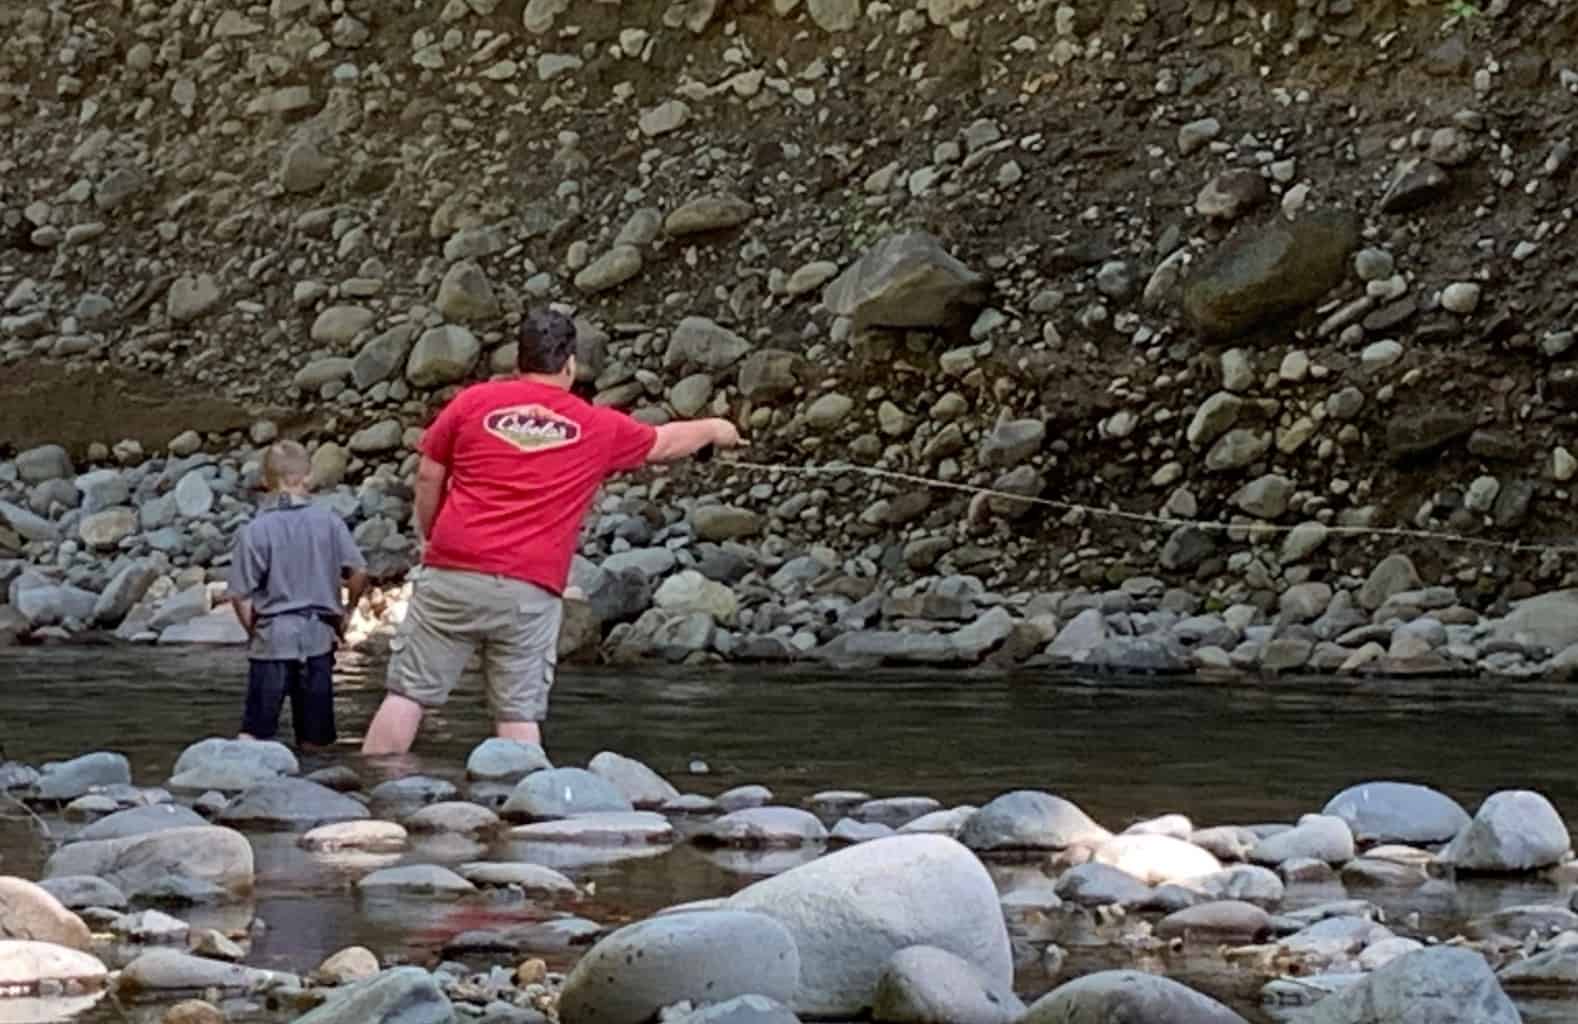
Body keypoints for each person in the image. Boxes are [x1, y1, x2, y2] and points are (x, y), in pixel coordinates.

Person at [360, 309, 745, 755]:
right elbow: (664, 442)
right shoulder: (597, 425)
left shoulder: (472, 403)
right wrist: (717, 429)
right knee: (518, 714)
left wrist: (431, 536)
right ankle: (524, 807)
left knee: (407, 695)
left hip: (453, 572)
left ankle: (374, 798)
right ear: (570, 365)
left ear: (519, 361)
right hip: (529, 587)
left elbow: (429, 474)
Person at [227, 440, 369, 750]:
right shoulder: (330, 522)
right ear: (307, 476)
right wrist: (347, 612)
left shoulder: (255, 530)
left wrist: (253, 630)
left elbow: (240, 594)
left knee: (254, 735)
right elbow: (358, 572)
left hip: (272, 638)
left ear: (266, 480)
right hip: (318, 637)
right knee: (316, 742)